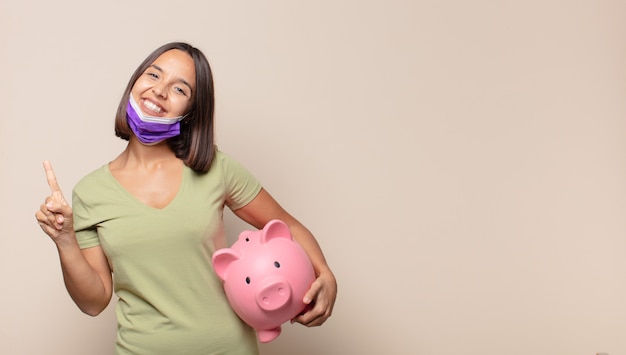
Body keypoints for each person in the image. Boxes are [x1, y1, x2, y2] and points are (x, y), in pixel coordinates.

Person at [35, 42, 337, 355]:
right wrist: (65, 240)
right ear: (135, 82)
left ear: (192, 112)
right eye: (153, 75)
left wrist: (325, 274)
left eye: (179, 89)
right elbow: (94, 301)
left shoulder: (215, 168)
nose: (159, 91)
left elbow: (287, 226)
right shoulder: (90, 192)